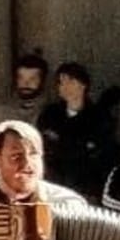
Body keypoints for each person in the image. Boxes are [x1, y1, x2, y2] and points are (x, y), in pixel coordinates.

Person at [36, 62, 105, 199]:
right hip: (54, 184)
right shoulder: (50, 114)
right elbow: (44, 145)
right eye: (61, 83)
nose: (65, 87)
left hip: (86, 186)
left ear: (83, 85)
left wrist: (64, 142)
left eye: (71, 81)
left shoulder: (98, 117)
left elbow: (97, 149)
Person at [0, 52, 49, 128]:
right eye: (21, 78)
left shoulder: (51, 113)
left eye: (32, 79)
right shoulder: (2, 112)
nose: (26, 83)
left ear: (42, 81)